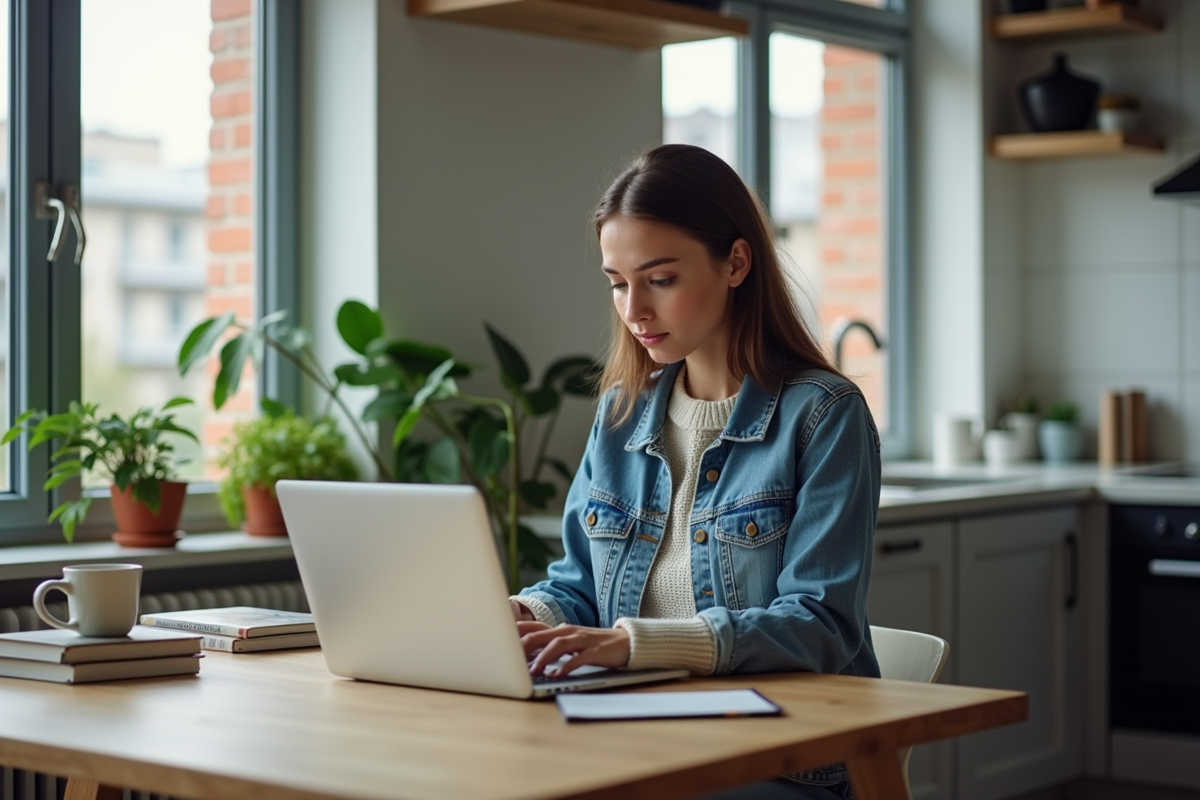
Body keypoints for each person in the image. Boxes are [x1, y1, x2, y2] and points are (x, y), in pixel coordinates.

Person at [509, 144, 881, 800]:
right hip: (640, 741)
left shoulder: (823, 416)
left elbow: (821, 625)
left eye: (660, 279)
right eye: (618, 283)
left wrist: (632, 644)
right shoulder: (622, 415)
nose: (634, 310)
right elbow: (578, 584)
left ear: (736, 262)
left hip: (781, 762)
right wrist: (518, 614)